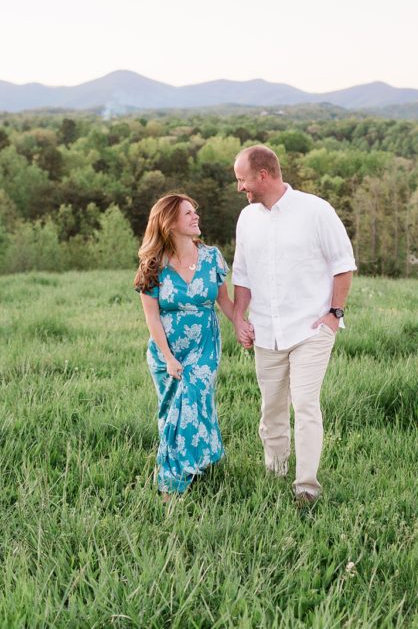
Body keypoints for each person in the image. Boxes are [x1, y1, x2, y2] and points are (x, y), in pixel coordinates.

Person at [231, 145, 356, 506]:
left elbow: (343, 264)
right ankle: (276, 472)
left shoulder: (316, 210)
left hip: (310, 329)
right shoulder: (247, 218)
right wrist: (239, 318)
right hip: (266, 331)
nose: (241, 188)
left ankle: (306, 487)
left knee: (304, 404)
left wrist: (334, 315)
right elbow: (242, 276)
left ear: (263, 176)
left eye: (243, 180)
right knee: (271, 410)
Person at [135, 193, 236, 499]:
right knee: (171, 412)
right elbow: (151, 317)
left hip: (204, 346)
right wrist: (167, 357)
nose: (196, 217)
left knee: (190, 402)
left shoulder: (211, 257)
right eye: (188, 214)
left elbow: (224, 301)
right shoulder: (153, 264)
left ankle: (172, 484)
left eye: (195, 212)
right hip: (167, 352)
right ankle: (197, 460)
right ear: (169, 223)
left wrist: (242, 325)